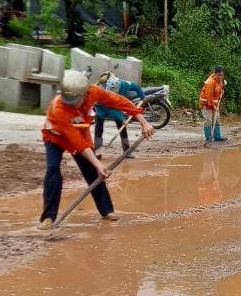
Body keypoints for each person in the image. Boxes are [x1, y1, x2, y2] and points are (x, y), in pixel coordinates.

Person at [38, 70, 154, 230]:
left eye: (75, 100)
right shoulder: (59, 108)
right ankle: (48, 217)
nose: (71, 103)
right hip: (55, 136)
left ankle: (106, 210)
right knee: (53, 170)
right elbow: (77, 144)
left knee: (92, 171)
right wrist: (99, 164)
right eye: (69, 100)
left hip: (80, 131)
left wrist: (142, 121)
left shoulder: (93, 91)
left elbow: (118, 101)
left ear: (85, 93)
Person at [93, 71, 146, 158]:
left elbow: (136, 86)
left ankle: (127, 152)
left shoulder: (123, 84)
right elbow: (105, 108)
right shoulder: (101, 89)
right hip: (101, 107)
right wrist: (120, 117)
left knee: (122, 127)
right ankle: (97, 152)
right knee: (99, 127)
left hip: (116, 104)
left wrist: (143, 97)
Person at [200, 66, 226, 145]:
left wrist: (222, 91)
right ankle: (208, 138)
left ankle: (217, 137)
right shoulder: (210, 82)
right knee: (208, 121)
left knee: (217, 119)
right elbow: (208, 97)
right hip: (206, 103)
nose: (220, 77)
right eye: (219, 75)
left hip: (214, 103)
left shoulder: (220, 81)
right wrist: (213, 106)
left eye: (222, 75)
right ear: (215, 74)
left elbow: (219, 88)